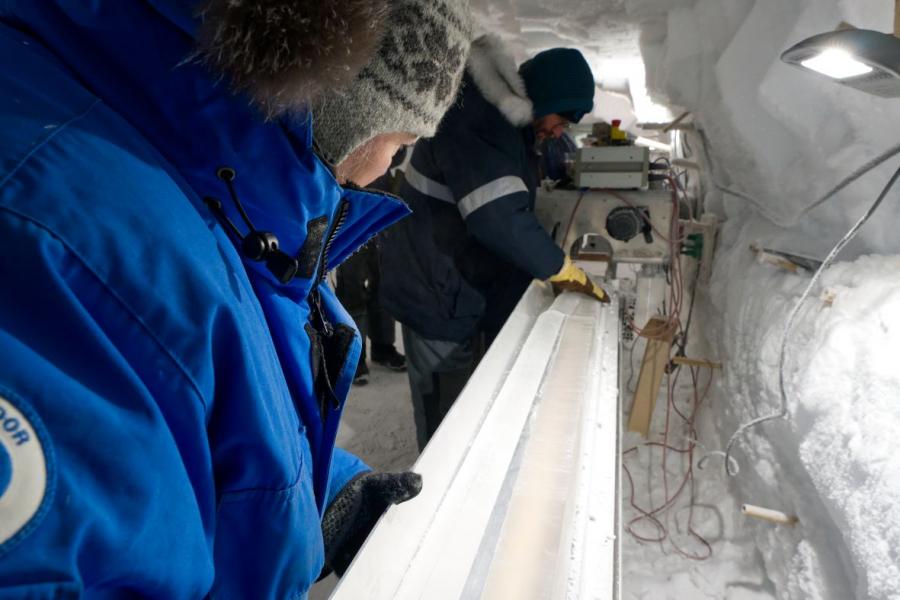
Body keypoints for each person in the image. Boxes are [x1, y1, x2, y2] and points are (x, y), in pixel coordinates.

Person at [0, 0, 470, 597]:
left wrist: (327, 496)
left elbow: (187, 407)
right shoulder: (60, 246)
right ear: (343, 111)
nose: (384, 172)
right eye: (397, 146)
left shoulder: (197, 189)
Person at [381, 34, 610, 450]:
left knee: (469, 399)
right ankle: (436, 485)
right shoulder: (478, 123)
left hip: (457, 279)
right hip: (433, 289)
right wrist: (558, 267)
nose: (558, 131)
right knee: (446, 420)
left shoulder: (510, 126)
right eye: (559, 120)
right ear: (542, 99)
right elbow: (498, 217)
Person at [334, 152, 410, 385]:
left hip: (380, 207)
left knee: (383, 281)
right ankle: (354, 359)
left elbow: (398, 154)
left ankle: (383, 347)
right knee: (351, 287)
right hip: (350, 209)